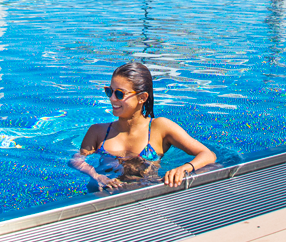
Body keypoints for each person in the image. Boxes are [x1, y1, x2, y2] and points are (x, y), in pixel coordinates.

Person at [70, 62, 216, 191]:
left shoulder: (159, 128)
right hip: (103, 196)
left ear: (142, 98)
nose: (112, 98)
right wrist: (96, 176)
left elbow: (208, 155)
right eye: (109, 91)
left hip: (145, 195)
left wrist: (183, 169)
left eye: (119, 94)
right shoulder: (97, 132)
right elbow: (77, 161)